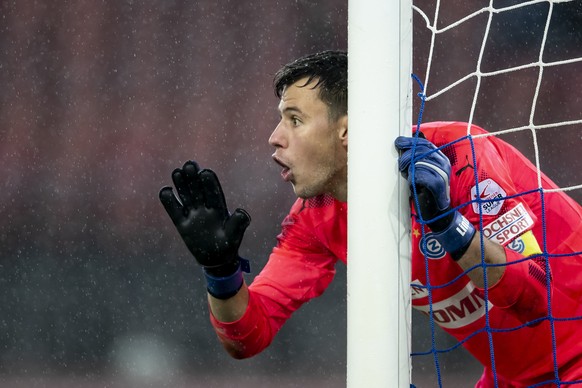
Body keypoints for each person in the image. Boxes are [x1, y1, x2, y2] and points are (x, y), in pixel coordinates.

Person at [158, 50, 582, 387]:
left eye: (294, 119)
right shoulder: (315, 217)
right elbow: (248, 337)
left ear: (347, 130)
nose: (275, 137)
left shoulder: (457, 157)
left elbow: (536, 298)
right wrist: (221, 273)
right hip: (516, 378)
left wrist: (448, 225)